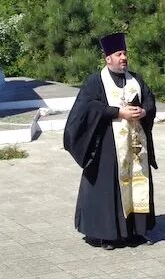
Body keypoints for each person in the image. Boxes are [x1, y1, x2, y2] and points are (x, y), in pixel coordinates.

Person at [63, 32, 157, 250]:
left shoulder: (136, 79)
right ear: (108, 59)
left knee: (136, 184)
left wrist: (144, 111)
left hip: (134, 146)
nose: (124, 58)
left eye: (125, 53)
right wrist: (117, 112)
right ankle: (107, 235)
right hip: (107, 145)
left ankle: (134, 231)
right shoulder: (96, 81)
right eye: (119, 54)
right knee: (108, 188)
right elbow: (86, 109)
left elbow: (150, 100)